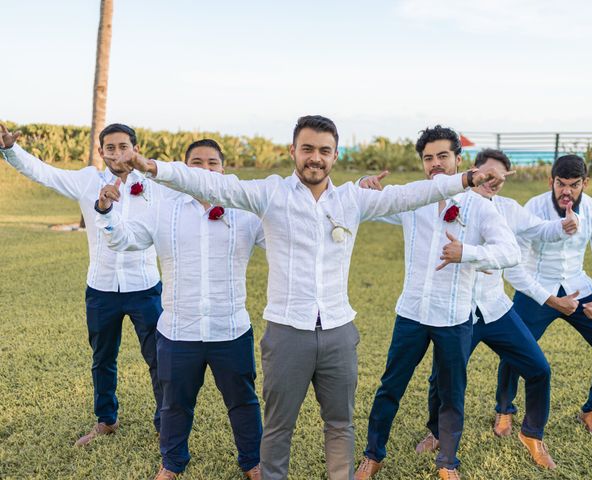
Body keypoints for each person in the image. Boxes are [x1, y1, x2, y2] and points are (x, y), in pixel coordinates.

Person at [119, 115, 508, 480]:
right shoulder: (270, 193)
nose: (315, 158)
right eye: (307, 149)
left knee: (340, 424)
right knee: (277, 426)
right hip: (287, 330)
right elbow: (214, 185)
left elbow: (411, 195)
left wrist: (467, 178)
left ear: (335, 156)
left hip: (339, 330)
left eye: (324, 150)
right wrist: (154, 168)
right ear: (293, 152)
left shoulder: (351, 200)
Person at [354, 127, 519, 480]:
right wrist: (362, 186)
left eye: (442, 156)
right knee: (390, 387)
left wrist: (468, 253)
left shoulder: (480, 207)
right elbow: (367, 208)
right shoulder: (413, 200)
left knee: (451, 393)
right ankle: (373, 455)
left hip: (455, 316)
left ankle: (447, 464)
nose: (435, 164)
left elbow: (510, 252)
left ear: (459, 161)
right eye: (428, 158)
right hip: (411, 313)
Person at [95, 139, 264, 479]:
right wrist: (107, 212)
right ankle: (172, 463)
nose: (204, 169)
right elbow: (126, 239)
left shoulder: (246, 214)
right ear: (184, 169)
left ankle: (253, 462)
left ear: (224, 169)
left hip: (229, 329)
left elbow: (283, 240)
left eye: (212, 163)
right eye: (196, 162)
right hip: (177, 331)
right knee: (174, 405)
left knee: (243, 403)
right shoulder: (164, 209)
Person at [0, 123, 163, 446]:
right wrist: (10, 150)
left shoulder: (155, 185)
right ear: (101, 152)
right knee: (102, 358)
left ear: (136, 149)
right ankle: (106, 420)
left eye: (123, 146)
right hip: (101, 288)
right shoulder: (88, 180)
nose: (117, 153)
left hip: (145, 287)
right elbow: (44, 173)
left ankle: (166, 422)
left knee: (158, 357)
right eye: (110, 147)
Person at [416, 148, 579, 471]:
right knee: (442, 377)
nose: (493, 181)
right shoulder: (449, 202)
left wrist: (565, 225)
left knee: (538, 369)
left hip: (495, 308)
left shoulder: (509, 209)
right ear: (474, 172)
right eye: (488, 174)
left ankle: (532, 434)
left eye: (501, 177)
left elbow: (540, 229)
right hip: (457, 310)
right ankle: (436, 432)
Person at [498, 154, 592, 439]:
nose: (566, 191)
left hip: (578, 288)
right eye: (560, 184)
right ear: (551, 181)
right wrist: (548, 298)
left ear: (585, 183)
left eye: (574, 184)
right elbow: (513, 262)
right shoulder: (532, 208)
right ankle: (505, 409)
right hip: (536, 289)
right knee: (513, 347)